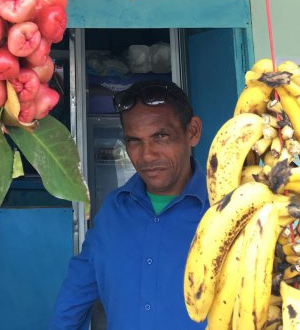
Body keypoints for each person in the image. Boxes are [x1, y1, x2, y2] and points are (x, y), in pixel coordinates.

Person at [49, 81, 207, 329]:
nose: (147, 155)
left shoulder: (226, 211)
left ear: (193, 132)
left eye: (161, 136)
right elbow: (75, 296)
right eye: (134, 141)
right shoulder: (114, 210)